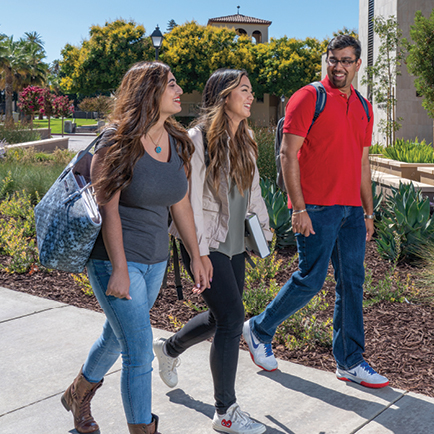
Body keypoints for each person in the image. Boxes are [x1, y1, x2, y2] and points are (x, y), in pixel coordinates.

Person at [61, 61, 207, 434]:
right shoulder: (116, 142)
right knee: (138, 353)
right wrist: (121, 268)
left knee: (117, 335)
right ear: (148, 92)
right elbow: (109, 210)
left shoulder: (176, 142)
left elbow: (181, 205)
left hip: (157, 260)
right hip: (114, 261)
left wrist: (197, 253)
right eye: (171, 84)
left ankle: (78, 393)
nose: (178, 91)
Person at [243, 35, 390, 389]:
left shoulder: (364, 107)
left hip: (352, 212)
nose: (338, 66)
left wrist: (369, 213)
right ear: (327, 60)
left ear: (357, 64)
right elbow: (286, 154)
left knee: (352, 283)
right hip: (317, 208)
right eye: (333, 59)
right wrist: (299, 207)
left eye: (346, 60)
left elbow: (361, 162)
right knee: (310, 280)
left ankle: (349, 361)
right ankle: (258, 329)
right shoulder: (309, 97)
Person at [153, 69, 272, 434]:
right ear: (224, 96)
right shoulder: (198, 139)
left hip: (236, 243)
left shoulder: (247, 138)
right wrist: (199, 254)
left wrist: (265, 230)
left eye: (251, 91)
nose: (251, 97)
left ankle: (169, 348)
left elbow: (252, 193)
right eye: (244, 91)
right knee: (233, 317)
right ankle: (225, 411)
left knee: (223, 317)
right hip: (207, 244)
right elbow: (186, 201)